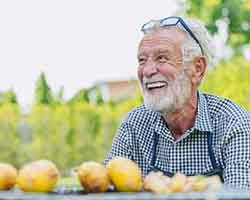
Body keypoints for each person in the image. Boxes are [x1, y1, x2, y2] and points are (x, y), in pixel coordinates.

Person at [104, 16, 250, 189]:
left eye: (162, 58)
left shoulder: (233, 123)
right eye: (142, 60)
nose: (148, 71)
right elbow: (107, 188)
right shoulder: (134, 124)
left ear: (197, 68)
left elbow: (239, 195)